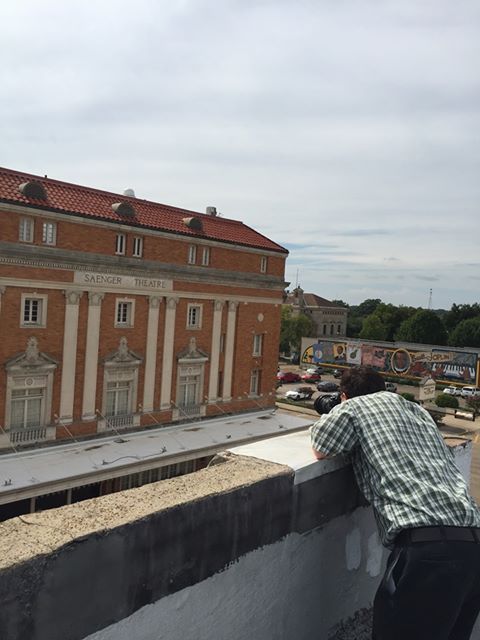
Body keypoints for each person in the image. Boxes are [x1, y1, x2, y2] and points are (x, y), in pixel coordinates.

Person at [310, 366, 480, 640]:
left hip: (428, 552)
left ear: (344, 395)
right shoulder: (415, 410)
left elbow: (321, 448)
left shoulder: (353, 407)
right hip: (472, 547)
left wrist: (333, 410)